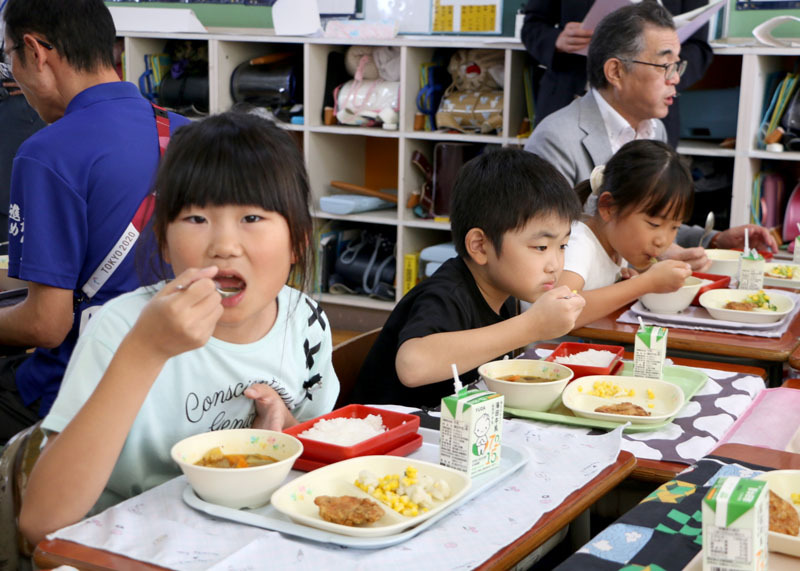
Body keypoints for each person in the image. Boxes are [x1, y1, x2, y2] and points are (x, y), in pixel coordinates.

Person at [19, 111, 339, 545]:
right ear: (165, 242)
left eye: (252, 218)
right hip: (124, 548)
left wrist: (281, 429)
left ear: (299, 241)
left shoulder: (305, 321)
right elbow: (41, 520)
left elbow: (316, 454)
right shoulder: (123, 327)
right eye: (196, 218)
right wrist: (145, 352)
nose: (224, 245)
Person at [0, 0, 190, 443]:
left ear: (35, 52)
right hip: (178, 386)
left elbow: (46, 325)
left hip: (76, 395)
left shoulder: (47, 152)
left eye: (9, 58)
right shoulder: (187, 132)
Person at [524, 2, 777, 269]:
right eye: (664, 65)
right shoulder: (557, 139)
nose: (676, 79)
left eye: (676, 66)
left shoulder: (656, 129)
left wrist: (713, 240)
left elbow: (651, 223)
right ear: (616, 72)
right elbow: (546, 253)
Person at [351, 149, 586, 409]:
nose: (555, 265)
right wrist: (531, 326)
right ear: (480, 246)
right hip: (388, 437)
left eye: (562, 246)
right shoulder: (447, 293)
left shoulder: (504, 292)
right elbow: (412, 366)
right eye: (541, 247)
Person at [520, 0, 713, 148]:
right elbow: (532, 26)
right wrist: (557, 40)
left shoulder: (658, 129)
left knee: (650, 190)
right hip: (572, 92)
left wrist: (665, 71)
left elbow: (699, 48)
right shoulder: (554, 134)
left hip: (650, 109)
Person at [557, 140, 694, 327]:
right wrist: (643, 284)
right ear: (609, 208)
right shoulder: (579, 244)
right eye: (654, 224)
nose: (663, 241)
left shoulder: (616, 245)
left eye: (675, 227)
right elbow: (560, 310)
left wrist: (622, 284)